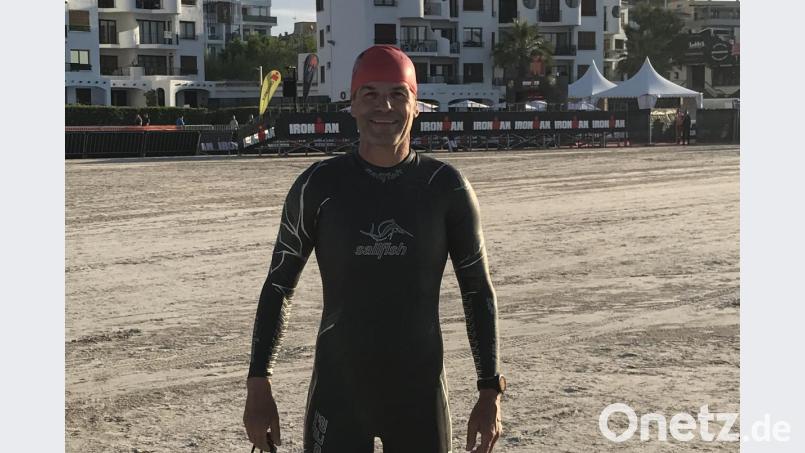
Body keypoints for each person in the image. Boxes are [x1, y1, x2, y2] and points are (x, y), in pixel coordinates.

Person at [243, 45, 504, 453]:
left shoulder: (447, 189)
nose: (384, 106)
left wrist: (490, 392)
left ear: (416, 105)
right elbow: (279, 286)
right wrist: (259, 383)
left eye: (399, 93)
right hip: (338, 393)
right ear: (352, 104)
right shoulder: (318, 187)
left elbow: (478, 291)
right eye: (370, 94)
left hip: (419, 398)